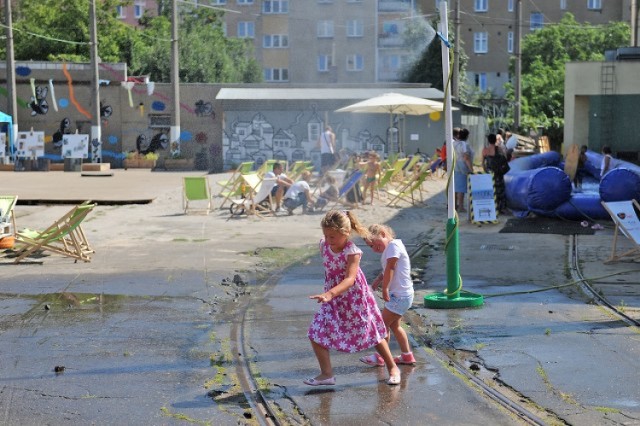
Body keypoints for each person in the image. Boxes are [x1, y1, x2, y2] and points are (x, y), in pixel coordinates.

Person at [305, 210, 401, 386]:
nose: (328, 240)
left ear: (346, 233)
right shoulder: (323, 246)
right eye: (326, 235)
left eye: (332, 237)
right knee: (315, 332)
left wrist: (329, 293)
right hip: (333, 300)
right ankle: (326, 374)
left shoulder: (352, 251)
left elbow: (350, 279)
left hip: (354, 299)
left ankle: (393, 367)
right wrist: (329, 295)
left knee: (373, 333)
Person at [359, 223, 416, 367]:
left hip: (400, 296)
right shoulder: (391, 249)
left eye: (374, 243)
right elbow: (386, 271)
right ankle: (407, 355)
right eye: (370, 246)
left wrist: (384, 289)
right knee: (395, 326)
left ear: (383, 234)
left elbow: (391, 267)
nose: (374, 248)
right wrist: (375, 283)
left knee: (381, 326)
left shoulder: (393, 246)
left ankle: (380, 357)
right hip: (403, 295)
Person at [482, 134, 510, 213]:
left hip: (490, 173)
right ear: (495, 140)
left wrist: (485, 171)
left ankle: (493, 208)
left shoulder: (485, 150)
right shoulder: (499, 148)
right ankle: (502, 208)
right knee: (501, 190)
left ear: (488, 140)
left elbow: (483, 163)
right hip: (499, 173)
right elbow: (505, 158)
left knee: (491, 190)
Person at [453, 128, 474, 212]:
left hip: (454, 165)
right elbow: (466, 157)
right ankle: (461, 206)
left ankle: (454, 205)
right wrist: (471, 169)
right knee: (461, 187)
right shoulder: (464, 145)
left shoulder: (454, 143)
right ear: (467, 136)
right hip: (462, 167)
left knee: (455, 187)